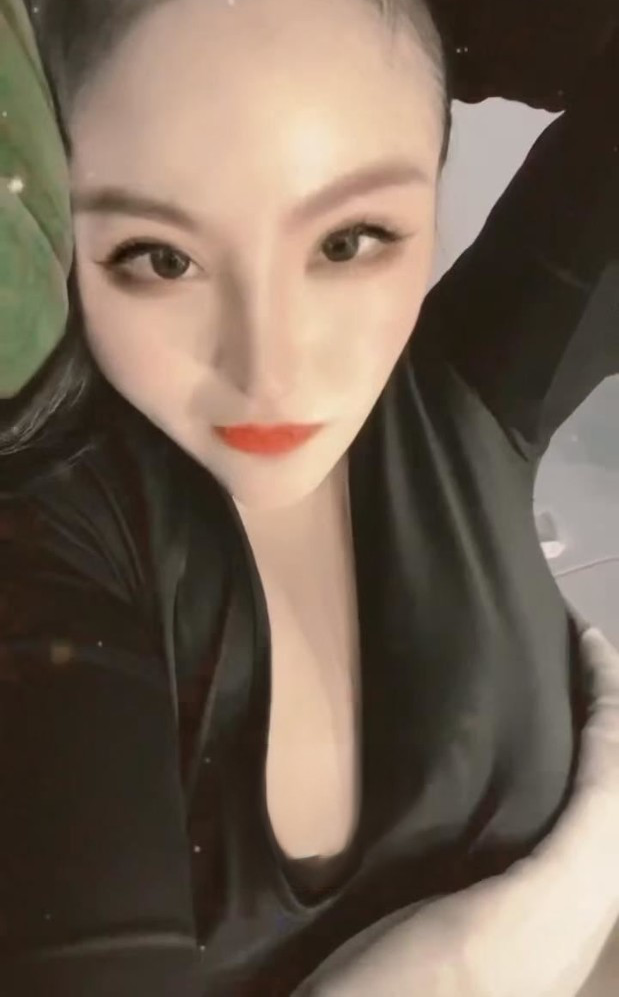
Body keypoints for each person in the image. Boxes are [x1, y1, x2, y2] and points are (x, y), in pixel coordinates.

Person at [0, 0, 618, 994]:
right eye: (163, 258)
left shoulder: (461, 392)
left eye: (348, 241)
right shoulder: (48, 554)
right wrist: (484, 954)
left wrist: (443, 27)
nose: (270, 371)